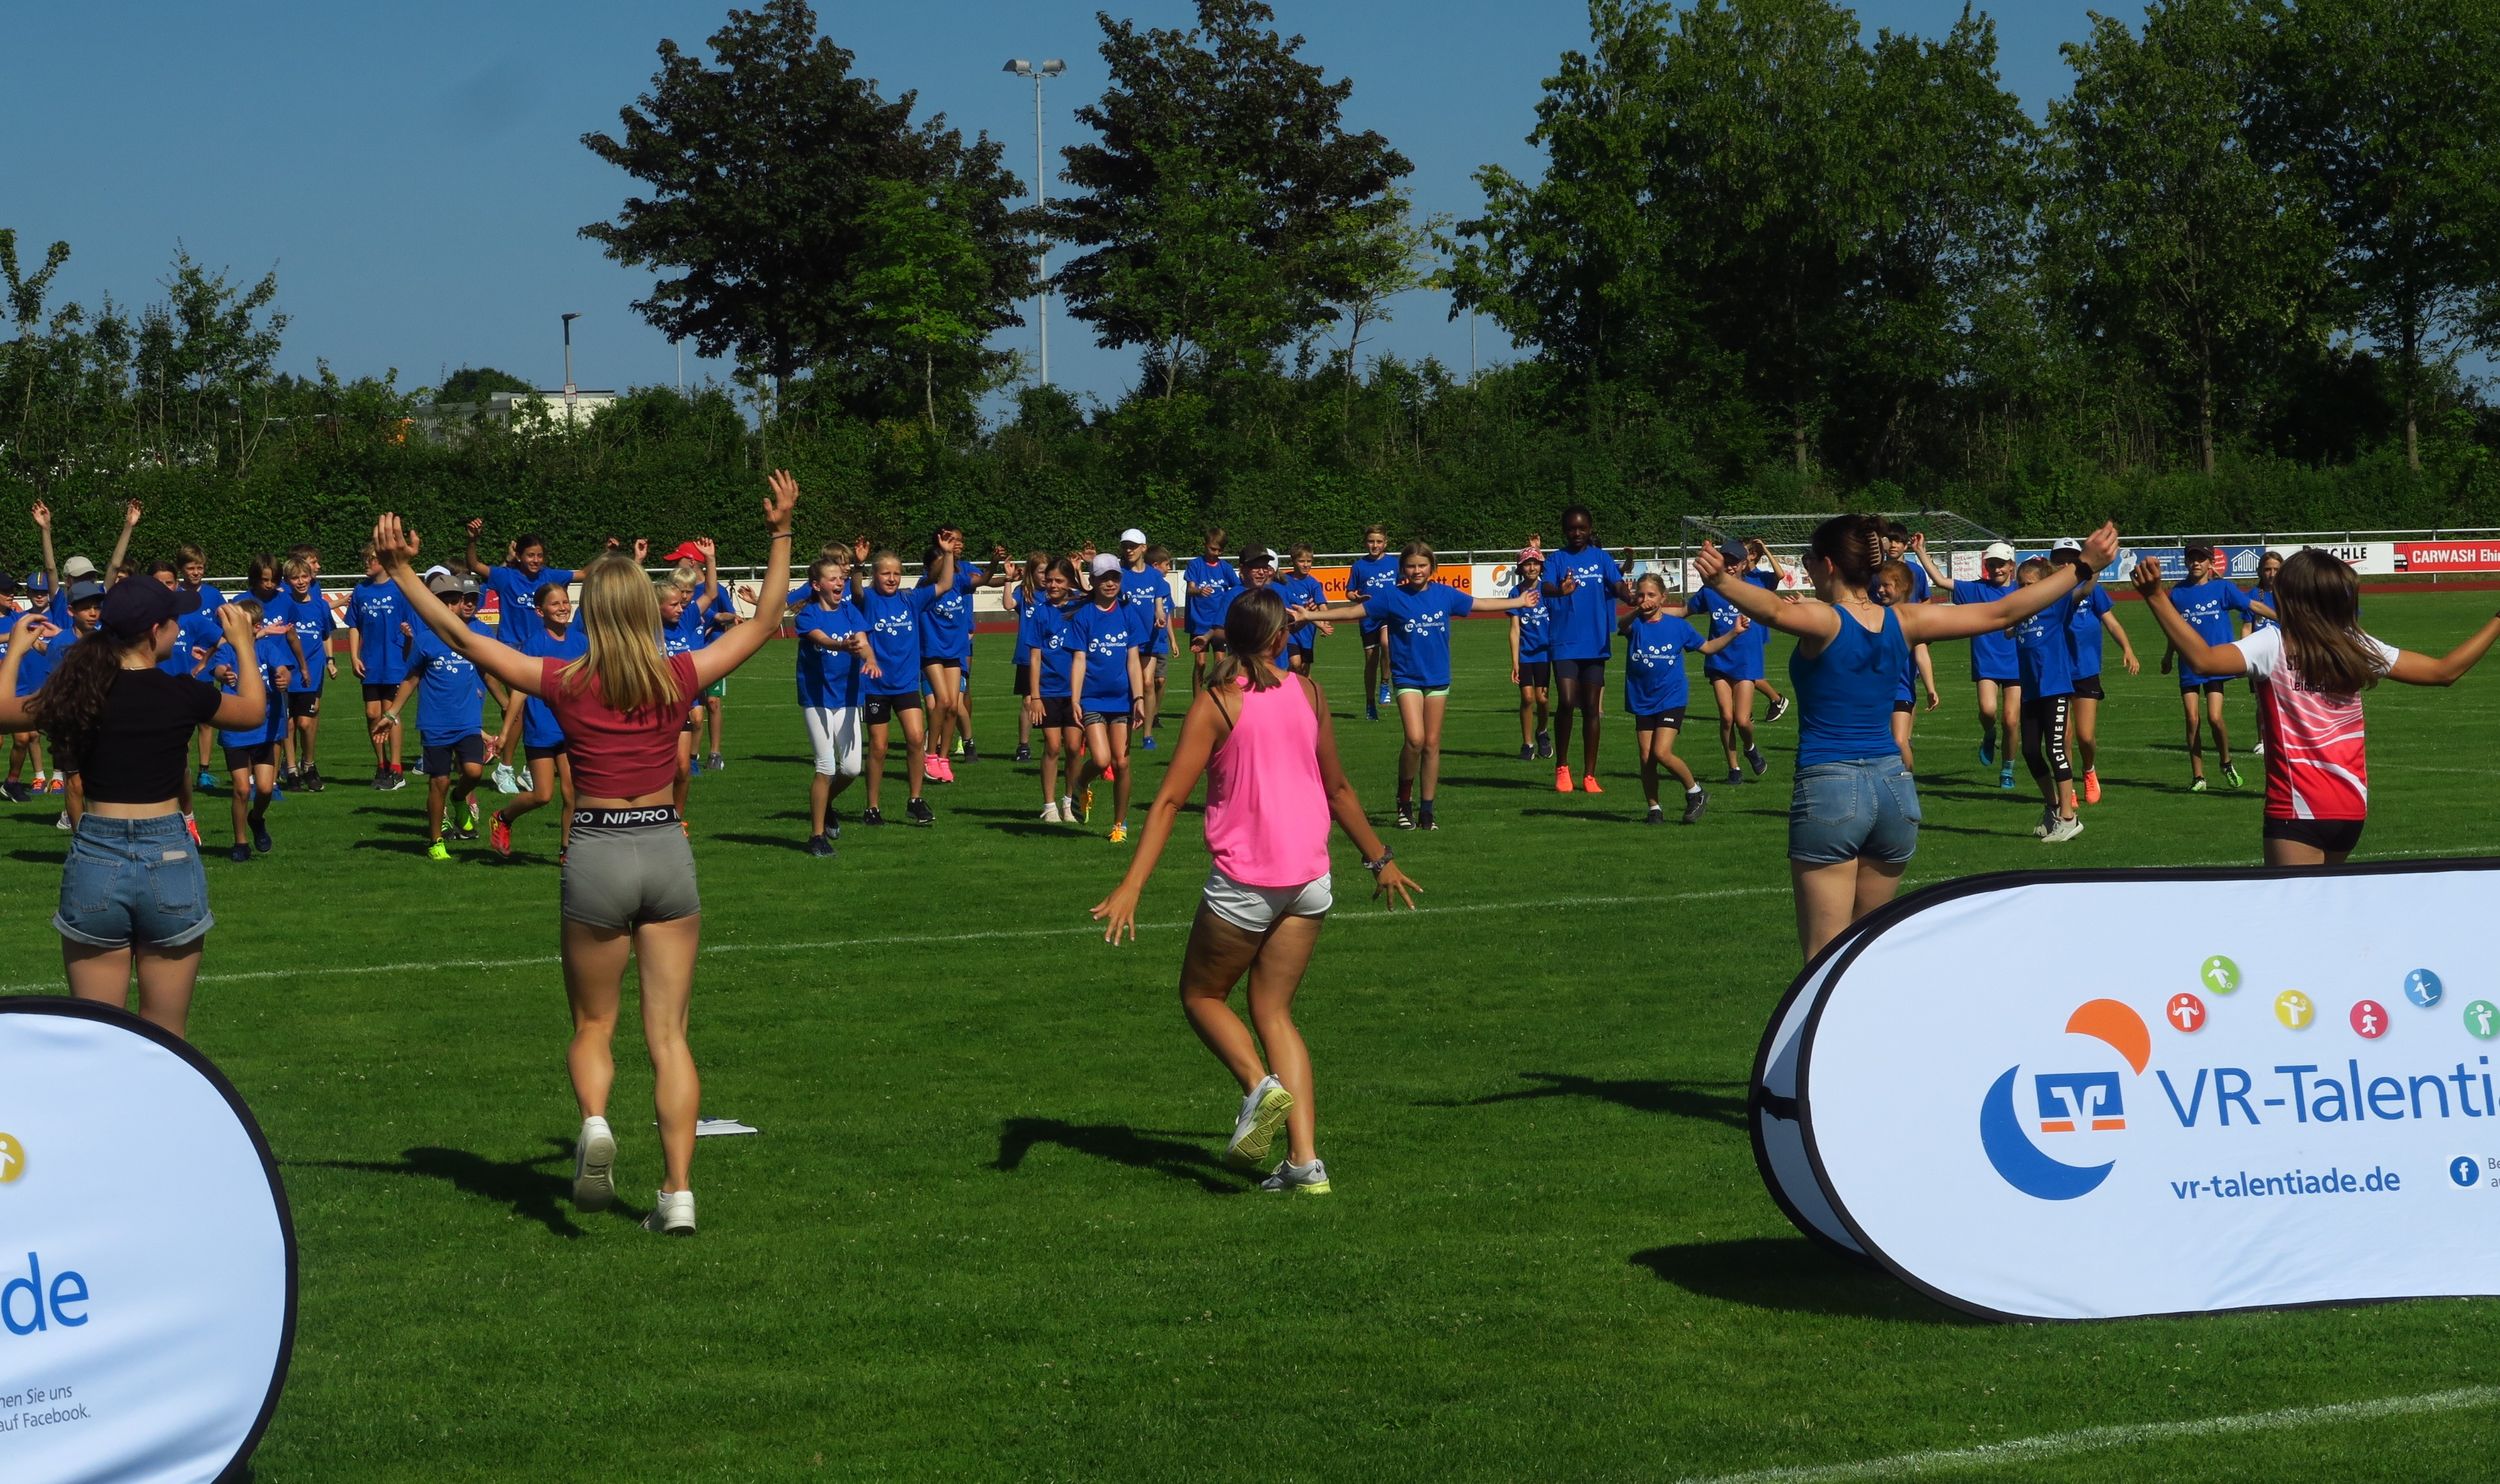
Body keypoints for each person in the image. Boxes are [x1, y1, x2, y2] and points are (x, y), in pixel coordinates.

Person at [372, 470, 800, 1234]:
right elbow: (767, 619)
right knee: (668, 1037)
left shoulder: (565, 679)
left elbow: (464, 638)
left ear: (592, 612)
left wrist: (403, 569)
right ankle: (677, 1193)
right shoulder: (679, 673)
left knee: (594, 1026)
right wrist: (780, 531)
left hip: (597, 850)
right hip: (665, 846)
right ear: (646, 605)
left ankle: (596, 1120)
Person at [1091, 586, 1419, 1197]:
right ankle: (1304, 1165)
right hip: (1310, 880)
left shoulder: (1217, 702)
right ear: (1279, 638)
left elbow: (1169, 800)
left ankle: (1257, 1087)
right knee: (1274, 1011)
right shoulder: (1310, 692)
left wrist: (1132, 884)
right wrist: (1381, 860)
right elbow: (1339, 789)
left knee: (1201, 995)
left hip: (1247, 882)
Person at [1697, 516, 2121, 959]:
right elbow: (2004, 611)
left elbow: (1775, 611)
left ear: (1828, 565)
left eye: (1809, 560)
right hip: (1895, 791)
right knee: (1862, 955)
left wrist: (1721, 581)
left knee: (1822, 959)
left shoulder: (1825, 619)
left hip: (1830, 789)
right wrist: (2082, 567)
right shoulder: (1904, 619)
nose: (1806, 568)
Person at [0, 581, 265, 1037]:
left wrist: (15, 653)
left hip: (96, 854)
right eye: (175, 621)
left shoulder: (79, 692)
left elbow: (3, 712)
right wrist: (243, 643)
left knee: (99, 1038)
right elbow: (254, 711)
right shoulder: (182, 692)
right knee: (166, 1040)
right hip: (169, 854)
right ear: (155, 631)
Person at [2133, 548, 2500, 865]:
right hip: (2350, 807)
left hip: (2296, 810)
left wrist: (2155, 597)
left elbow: (2203, 661)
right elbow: (2444, 671)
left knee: (2296, 919)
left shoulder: (2273, 643)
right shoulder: (2354, 642)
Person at [1303, 541, 1543, 830]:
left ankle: (1427, 810)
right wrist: (1310, 615)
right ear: (1402, 569)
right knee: (1415, 739)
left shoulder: (1444, 594)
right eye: (1411, 566)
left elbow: (1480, 604)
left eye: (1422, 565)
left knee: (1431, 744)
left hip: (1437, 679)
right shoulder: (1392, 596)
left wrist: (1518, 602)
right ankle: (1404, 800)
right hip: (1407, 678)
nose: (1416, 571)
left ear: (1432, 567)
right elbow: (1353, 612)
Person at [381, 572, 496, 860]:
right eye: (444, 601)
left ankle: (459, 799)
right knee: (439, 782)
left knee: (474, 772)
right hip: (435, 723)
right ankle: (435, 840)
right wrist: (391, 714)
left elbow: (489, 673)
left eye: (455, 601)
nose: (451, 606)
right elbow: (411, 679)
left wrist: (508, 703)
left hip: (468, 721)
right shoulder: (425, 641)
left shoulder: (470, 639)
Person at [1620, 573, 1742, 824]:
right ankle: (1654, 808)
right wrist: (1635, 611)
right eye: (1641, 595)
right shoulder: (1636, 624)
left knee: (1661, 752)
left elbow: (1708, 647)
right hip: (1642, 698)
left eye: (1651, 595)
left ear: (1663, 598)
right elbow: (1621, 625)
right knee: (1646, 757)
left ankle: (1695, 791)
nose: (1645, 599)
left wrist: (1735, 632)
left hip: (1671, 697)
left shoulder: (1678, 626)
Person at [853, 543, 954, 828]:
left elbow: (945, 584)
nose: (892, 578)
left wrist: (948, 554)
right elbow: (857, 592)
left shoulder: (911, 599)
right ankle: (872, 806)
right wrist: (858, 566)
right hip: (876, 686)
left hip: (906, 685)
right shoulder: (869, 599)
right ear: (875, 575)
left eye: (896, 573)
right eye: (885, 573)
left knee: (915, 738)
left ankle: (915, 800)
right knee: (879, 747)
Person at [2159, 543, 2273, 791]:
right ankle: (2198, 777)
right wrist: (2168, 656)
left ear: (2211, 563)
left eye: (2201, 558)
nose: (2196, 563)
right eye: (2192, 558)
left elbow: (2252, 606)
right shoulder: (2177, 593)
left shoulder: (2222, 588)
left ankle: (2226, 761)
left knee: (2214, 717)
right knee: (2192, 719)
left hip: (2214, 663)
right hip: (2188, 664)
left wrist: (2283, 618)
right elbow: (2174, 631)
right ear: (2186, 562)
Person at [489, 580, 589, 859]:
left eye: (565, 602)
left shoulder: (582, 642)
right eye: (555, 604)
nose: (563, 608)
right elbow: (519, 690)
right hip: (542, 729)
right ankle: (503, 817)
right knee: (542, 795)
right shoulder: (534, 644)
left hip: (572, 730)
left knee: (573, 794)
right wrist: (505, 731)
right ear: (540, 611)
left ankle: (567, 850)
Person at [1540, 506, 1635, 794]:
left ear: (1590, 529)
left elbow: (1617, 584)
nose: (1577, 533)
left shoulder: (1601, 558)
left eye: (1582, 528)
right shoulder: (1556, 559)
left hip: (1595, 643)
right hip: (1565, 642)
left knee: (1592, 708)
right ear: (1564, 531)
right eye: (1571, 528)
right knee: (1567, 701)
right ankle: (1562, 767)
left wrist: (1629, 596)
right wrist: (1561, 590)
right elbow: (1545, 587)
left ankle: (1590, 775)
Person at [1916, 538, 2024, 790]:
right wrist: (1920, 551)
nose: (1996, 569)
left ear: (2011, 565)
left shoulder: (2022, 591)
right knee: (1987, 711)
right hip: (1986, 662)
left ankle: (2007, 768)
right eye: (1992, 564)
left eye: (2001, 564)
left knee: (2011, 720)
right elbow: (1941, 581)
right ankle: (1989, 733)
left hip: (2017, 664)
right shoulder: (1976, 590)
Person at [793, 554, 879, 856]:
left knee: (852, 768)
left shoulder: (850, 610)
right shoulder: (808, 615)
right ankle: (816, 836)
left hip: (847, 696)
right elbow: (821, 639)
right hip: (817, 697)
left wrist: (870, 659)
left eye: (841, 578)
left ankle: (825, 802)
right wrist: (841, 645)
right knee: (826, 766)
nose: (839, 582)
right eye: (832, 579)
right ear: (817, 585)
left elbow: (863, 642)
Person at [1066, 554, 1149, 842]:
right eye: (1104, 578)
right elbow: (1079, 660)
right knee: (1102, 760)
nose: (1110, 583)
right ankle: (1080, 783)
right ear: (1093, 581)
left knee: (1122, 763)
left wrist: (1138, 698)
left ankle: (1119, 825)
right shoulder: (1084, 616)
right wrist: (1075, 699)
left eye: (1114, 577)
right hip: (1092, 699)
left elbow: (1133, 661)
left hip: (1122, 700)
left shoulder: (1128, 613)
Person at [2010, 553, 2088, 843]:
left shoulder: (2055, 606)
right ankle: (2053, 807)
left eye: (2029, 584)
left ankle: (2069, 817)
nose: (2024, 589)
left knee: (2055, 750)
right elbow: (2006, 629)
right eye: (2020, 584)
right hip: (2031, 691)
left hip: (2054, 688)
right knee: (2030, 751)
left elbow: (2084, 591)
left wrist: (2090, 566)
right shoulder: (2020, 610)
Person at [207, 597, 291, 862]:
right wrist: (223, 674)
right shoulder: (228, 650)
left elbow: (283, 668)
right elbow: (218, 668)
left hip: (265, 729)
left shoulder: (266, 648)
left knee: (265, 788)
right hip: (236, 730)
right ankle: (240, 841)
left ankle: (256, 818)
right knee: (242, 789)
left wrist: (283, 677)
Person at [1686, 543, 1773, 784]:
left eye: (1735, 561)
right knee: (1726, 717)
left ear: (1744, 563)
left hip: (1746, 662)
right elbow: (1684, 611)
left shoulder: (1755, 587)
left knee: (1742, 720)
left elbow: (1775, 607)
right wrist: (1652, 612)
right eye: (1726, 561)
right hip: (1719, 661)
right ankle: (1733, 768)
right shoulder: (1710, 591)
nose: (1731, 566)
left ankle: (1750, 747)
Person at [2065, 539, 2137, 803]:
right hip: (2058, 671)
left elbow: (2111, 622)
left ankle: (2088, 770)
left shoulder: (2093, 590)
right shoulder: (2048, 593)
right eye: (2060, 558)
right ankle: (2067, 788)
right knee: (2062, 736)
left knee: (2085, 736)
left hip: (2086, 670)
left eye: (2070, 558)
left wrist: (2127, 648)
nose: (2065, 563)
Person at [1020, 558, 1086, 822]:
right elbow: (1034, 657)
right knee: (1052, 746)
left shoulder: (1080, 608)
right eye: (1049, 580)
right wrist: (1034, 696)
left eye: (1059, 580)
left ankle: (1069, 802)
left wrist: (1081, 570)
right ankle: (1049, 805)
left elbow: (1099, 592)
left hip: (1076, 692)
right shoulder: (1040, 612)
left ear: (1069, 582)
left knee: (1074, 747)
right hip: (1048, 691)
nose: (1053, 585)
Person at [348, 544, 413, 789]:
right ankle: (381, 764)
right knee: (372, 713)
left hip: (395, 661)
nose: (367, 562)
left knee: (390, 713)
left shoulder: (399, 589)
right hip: (371, 662)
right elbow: (353, 625)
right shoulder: (360, 590)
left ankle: (396, 768)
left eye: (372, 558)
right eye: (365, 558)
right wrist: (354, 656)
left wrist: (408, 636)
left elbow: (411, 624)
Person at [1870, 558, 1940, 771]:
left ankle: (1907, 781)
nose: (1880, 590)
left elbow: (1922, 654)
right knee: (1875, 743)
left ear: (1902, 587)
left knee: (1900, 740)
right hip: (1874, 689)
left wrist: (1930, 688)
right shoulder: (1874, 614)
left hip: (1901, 689)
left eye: (1886, 585)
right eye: (1878, 585)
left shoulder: (1912, 619)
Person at [279, 557, 337, 792]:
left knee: (305, 723)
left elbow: (326, 635)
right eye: (295, 578)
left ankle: (309, 764)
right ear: (287, 581)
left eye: (304, 576)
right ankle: (291, 769)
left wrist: (330, 660)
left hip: (311, 672)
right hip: (287, 671)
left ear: (311, 577)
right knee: (288, 724)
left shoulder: (321, 606)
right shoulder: (283, 605)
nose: (301, 581)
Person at [1118, 529, 1175, 748]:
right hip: (1126, 639)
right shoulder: (1119, 574)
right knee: (1127, 685)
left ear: (1143, 548)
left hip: (1151, 637)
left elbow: (1159, 605)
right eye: (1125, 546)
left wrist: (1160, 616)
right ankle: (1123, 729)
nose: (1129, 550)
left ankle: (1148, 734)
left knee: (1148, 682)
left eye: (1133, 546)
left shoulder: (1155, 576)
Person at [1002, 549, 1051, 761]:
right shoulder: (1024, 592)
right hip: (1027, 656)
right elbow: (1008, 604)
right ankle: (1023, 745)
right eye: (1041, 572)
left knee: (1052, 701)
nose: (1045, 576)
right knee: (1028, 701)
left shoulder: (1054, 592)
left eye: (1047, 571)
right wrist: (1007, 580)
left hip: (1051, 656)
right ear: (1031, 572)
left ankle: (1052, 744)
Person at [1347, 525, 1399, 719]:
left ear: (1385, 543)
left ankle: (1385, 683)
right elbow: (1349, 591)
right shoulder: (1359, 566)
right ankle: (1370, 703)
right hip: (1368, 617)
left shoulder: (1395, 563)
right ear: (1365, 543)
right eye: (1371, 541)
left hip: (1388, 615)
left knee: (1387, 643)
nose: (1375, 545)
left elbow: (1406, 583)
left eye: (1379, 541)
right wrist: (1356, 597)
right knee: (1371, 661)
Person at [1507, 546, 1553, 761]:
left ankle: (1542, 731)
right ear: (1520, 568)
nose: (1531, 567)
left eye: (1535, 563)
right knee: (1527, 698)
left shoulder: (1547, 590)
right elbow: (1514, 630)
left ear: (1541, 566)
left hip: (1545, 654)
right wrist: (1515, 661)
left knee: (1542, 699)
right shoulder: (1515, 593)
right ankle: (1527, 743)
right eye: (1527, 564)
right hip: (1526, 654)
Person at [1182, 529, 1238, 691]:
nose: (1216, 553)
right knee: (1200, 663)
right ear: (1205, 545)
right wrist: (1199, 590)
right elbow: (1190, 589)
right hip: (1199, 622)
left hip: (1219, 623)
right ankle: (1197, 699)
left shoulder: (1225, 568)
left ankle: (1217, 695)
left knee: (1220, 662)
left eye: (1219, 550)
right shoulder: (1195, 565)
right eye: (1213, 549)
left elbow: (1236, 588)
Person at [2246, 549, 2284, 757]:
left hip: (2284, 655)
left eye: (2276, 569)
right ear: (2260, 571)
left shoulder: (2288, 595)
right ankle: (2262, 739)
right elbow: (2246, 626)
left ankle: (2284, 738)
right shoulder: (2253, 596)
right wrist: (2245, 653)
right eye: (2268, 569)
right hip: (2260, 656)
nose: (2272, 574)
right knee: (2262, 701)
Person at [1276, 546, 1331, 679]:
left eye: (1309, 561)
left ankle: (1305, 689)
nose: (1306, 565)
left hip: (1307, 631)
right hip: (1290, 630)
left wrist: (1325, 622)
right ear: (1293, 561)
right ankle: (1286, 683)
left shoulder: (1313, 584)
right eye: (1301, 561)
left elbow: (1322, 605)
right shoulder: (1284, 580)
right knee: (1295, 662)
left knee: (1304, 670)